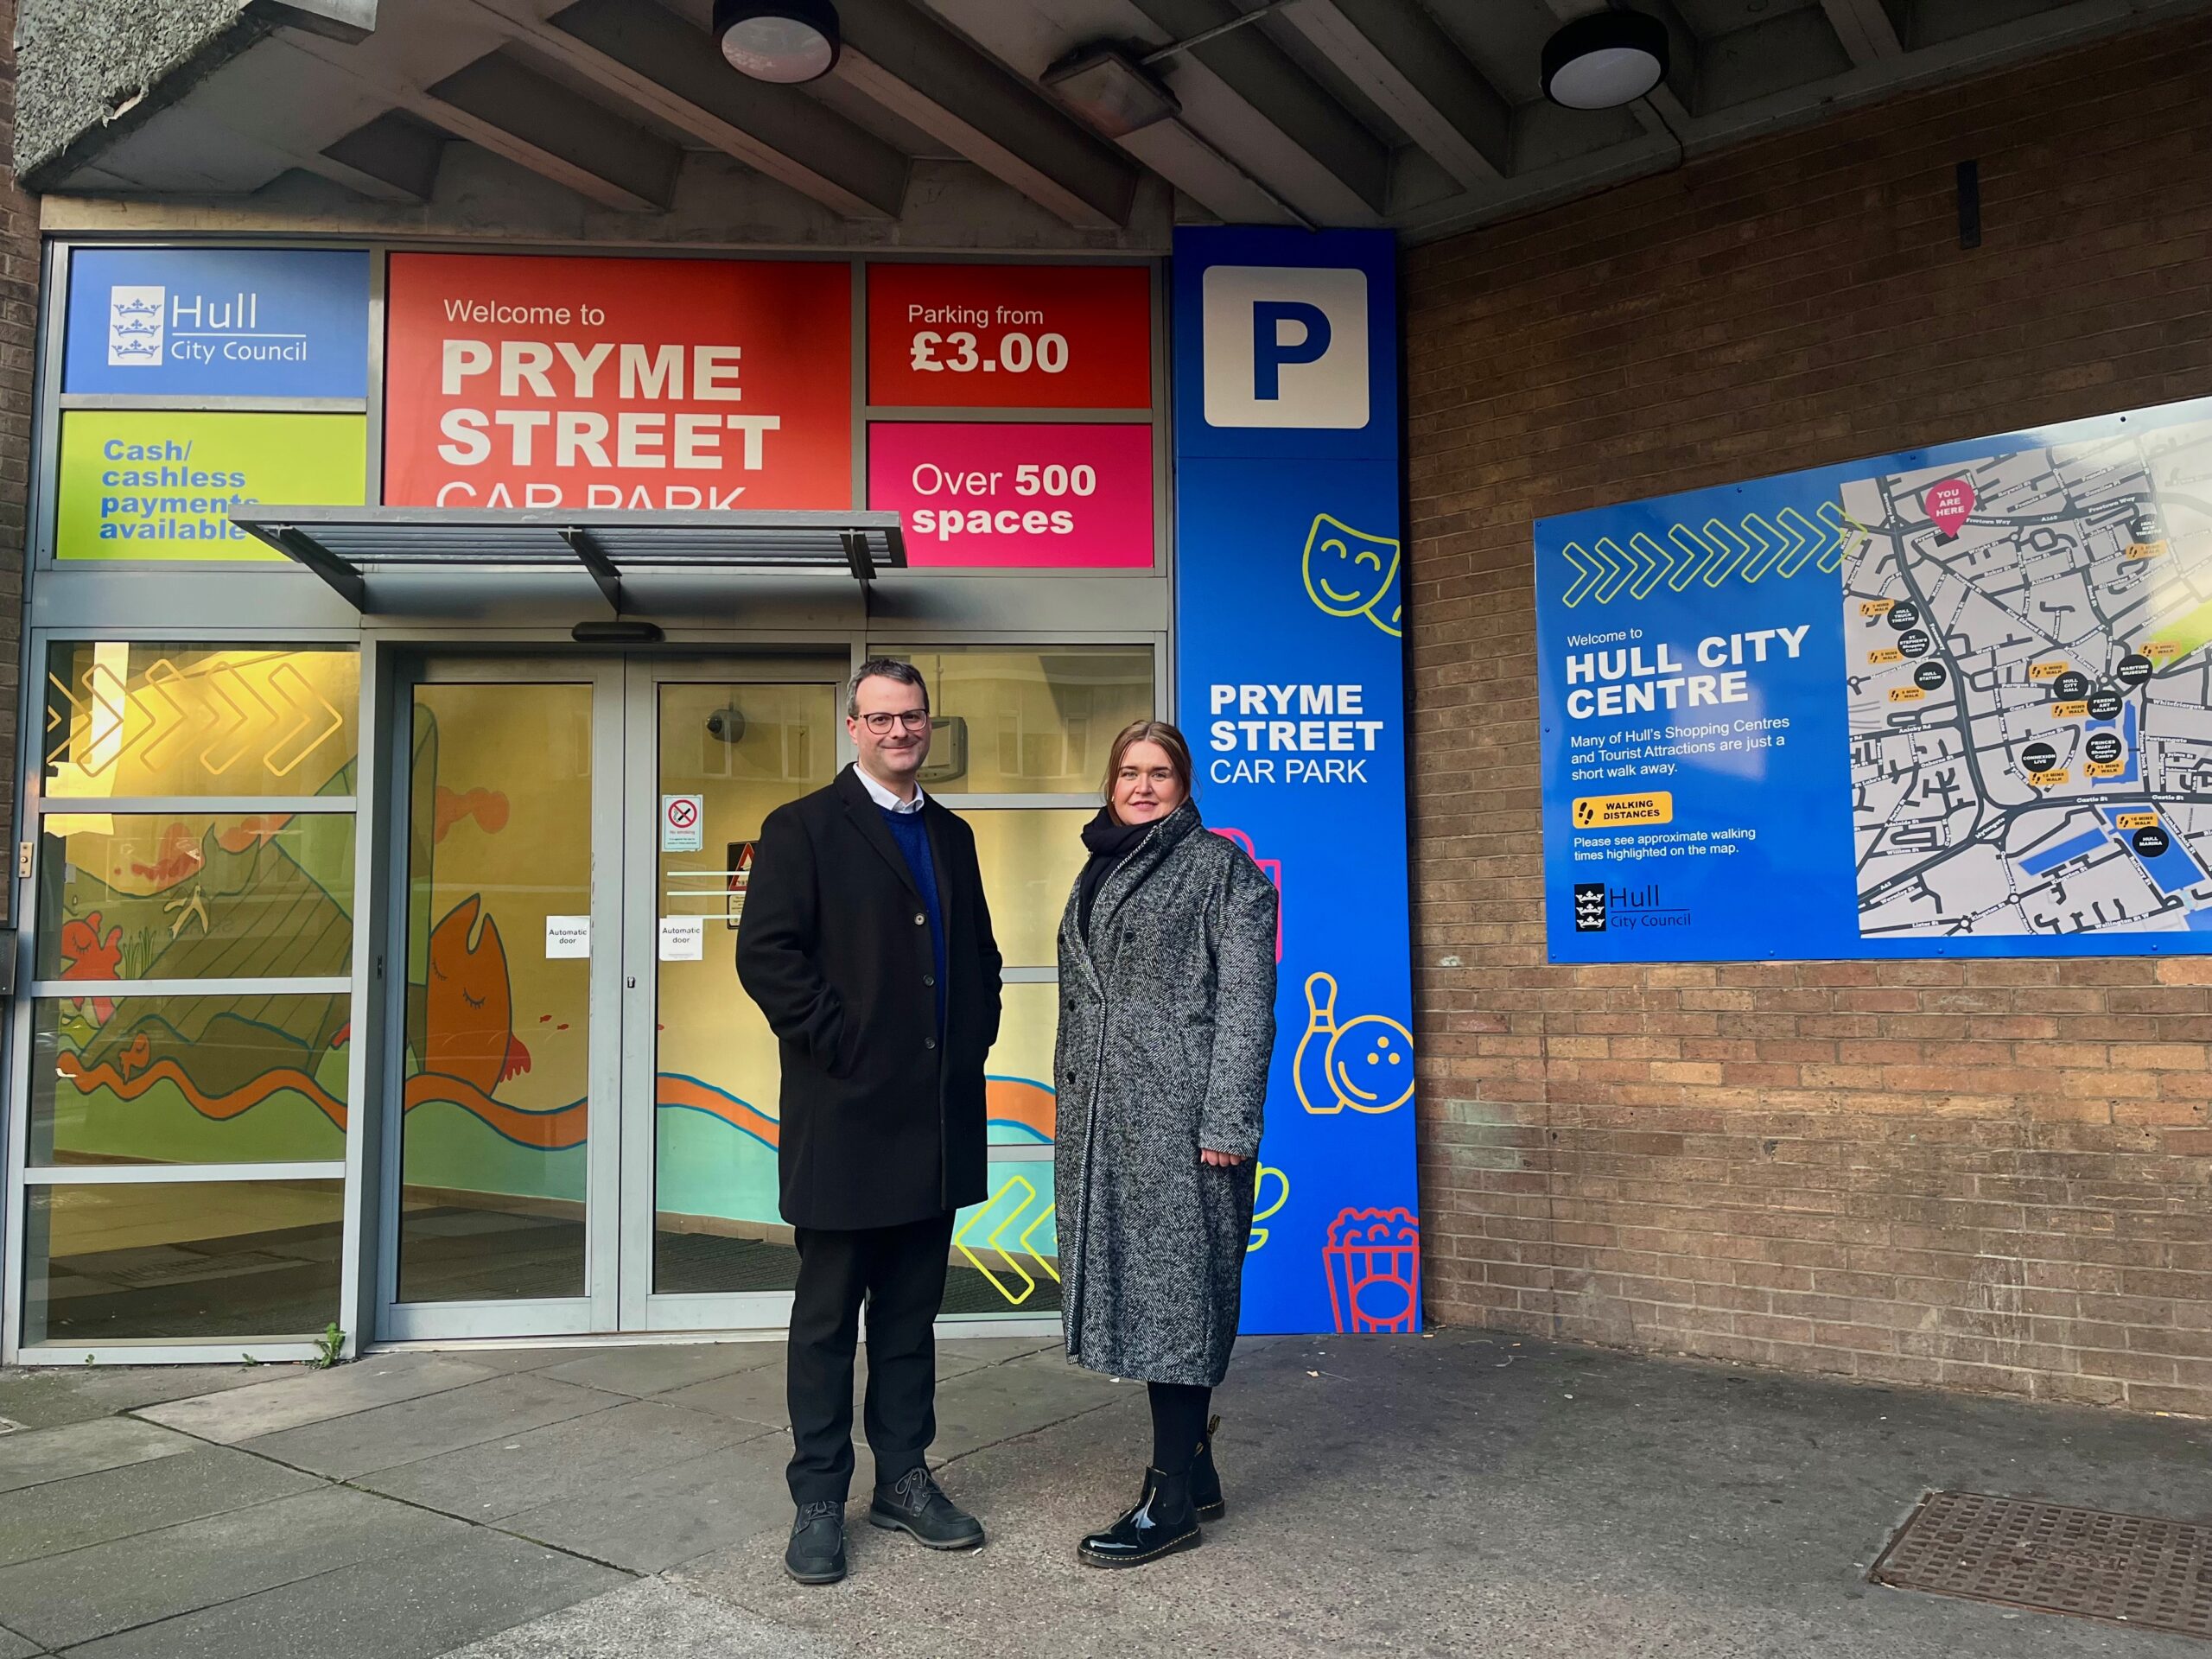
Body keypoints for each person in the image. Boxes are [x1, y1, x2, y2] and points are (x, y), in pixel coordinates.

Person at [736, 658, 1003, 1586]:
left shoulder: (953, 834)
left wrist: (968, 1047)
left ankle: (904, 1479)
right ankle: (818, 1496)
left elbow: (979, 956)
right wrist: (840, 1046)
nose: (900, 731)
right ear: (852, 726)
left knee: (910, 1315)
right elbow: (766, 956)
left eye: (913, 716)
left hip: (933, 1122)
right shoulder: (802, 827)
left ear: (928, 724)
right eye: (881, 717)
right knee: (825, 1321)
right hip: (844, 1119)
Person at [1054, 718, 1278, 1567]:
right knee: (1153, 1301)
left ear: (1184, 785)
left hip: (1184, 1126)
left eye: (1158, 773)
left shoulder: (1221, 870)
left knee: (1178, 1303)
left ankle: (1169, 1502)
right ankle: (1200, 1470)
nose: (1141, 786)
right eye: (1128, 773)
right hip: (1108, 1119)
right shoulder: (1100, 863)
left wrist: (1226, 1123)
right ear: (1110, 784)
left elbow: (1249, 1005)